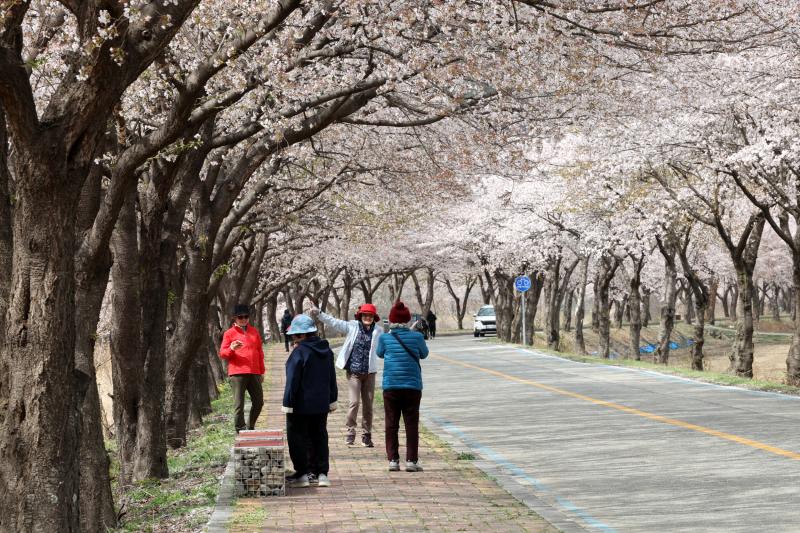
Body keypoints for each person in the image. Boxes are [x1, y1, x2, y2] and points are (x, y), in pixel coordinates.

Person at [311, 303, 383, 447]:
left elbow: (390, 339)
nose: (367, 318)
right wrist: (319, 313)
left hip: (370, 373)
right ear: (360, 316)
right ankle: (350, 431)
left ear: (374, 318)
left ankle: (366, 435)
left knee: (368, 406)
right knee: (354, 402)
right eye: (365, 315)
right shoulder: (352, 326)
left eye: (370, 316)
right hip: (354, 373)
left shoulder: (379, 331)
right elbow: (335, 323)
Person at [282, 314, 338, 488]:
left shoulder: (299, 353)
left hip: (300, 404)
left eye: (294, 335)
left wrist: (287, 403)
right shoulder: (326, 351)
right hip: (321, 404)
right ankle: (321, 474)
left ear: (302, 335)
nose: (292, 339)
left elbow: (292, 380)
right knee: (319, 436)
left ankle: (303, 474)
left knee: (297, 437)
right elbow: (332, 377)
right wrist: (332, 399)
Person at [376, 301, 429, 472]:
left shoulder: (385, 337)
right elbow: (424, 354)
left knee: (391, 424)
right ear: (407, 320)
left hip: (391, 386)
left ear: (391, 320)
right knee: (411, 424)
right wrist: (414, 334)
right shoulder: (417, 337)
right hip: (412, 387)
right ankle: (412, 461)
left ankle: (393, 460)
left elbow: (379, 353)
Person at [219, 304, 265, 433]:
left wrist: (262, 371)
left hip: (254, 372)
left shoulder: (254, 331)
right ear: (235, 318)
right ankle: (240, 429)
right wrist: (232, 349)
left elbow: (259, 352)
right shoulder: (229, 334)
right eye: (240, 317)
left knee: (259, 402)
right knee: (239, 404)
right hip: (237, 373)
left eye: (246, 316)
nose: (244, 319)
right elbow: (223, 354)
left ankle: (250, 427)